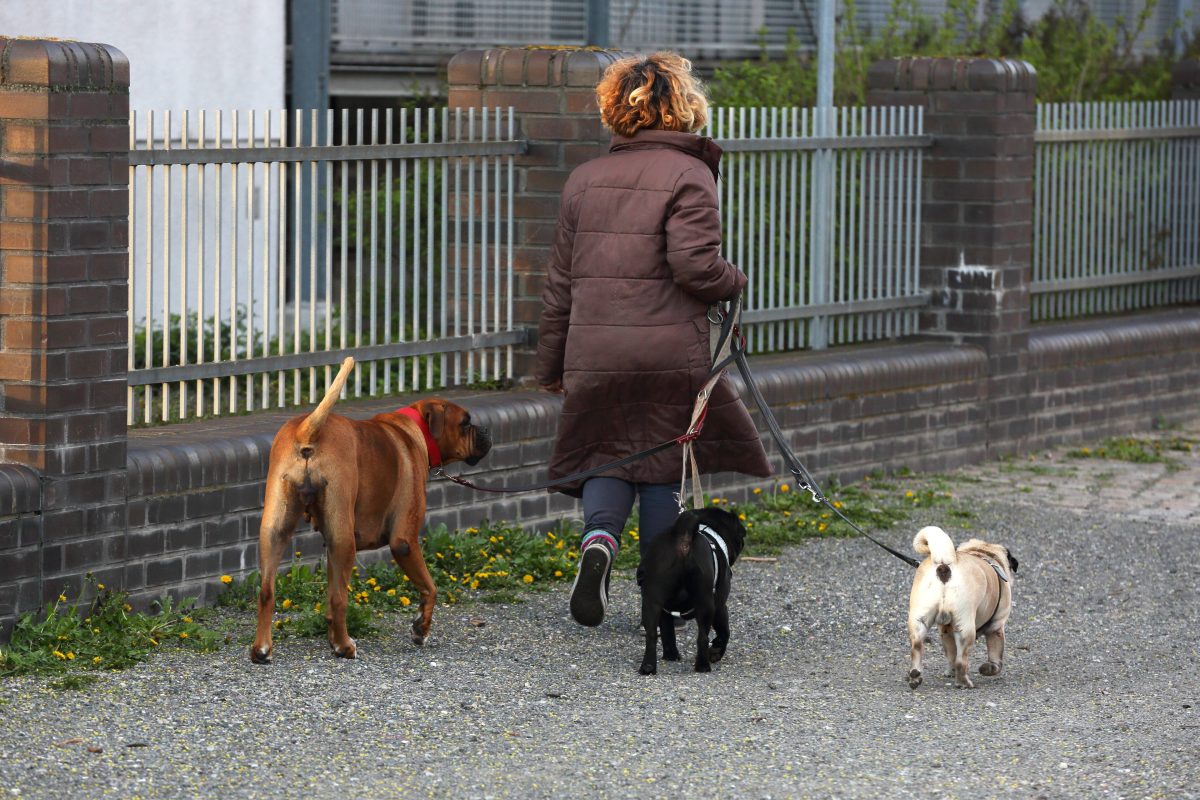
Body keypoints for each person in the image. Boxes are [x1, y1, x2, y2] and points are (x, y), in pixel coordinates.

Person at [534, 52, 772, 628]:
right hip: (670, 353)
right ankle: (659, 586)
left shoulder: (583, 180)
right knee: (665, 462)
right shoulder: (689, 174)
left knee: (607, 456)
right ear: (683, 104)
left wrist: (553, 362)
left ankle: (598, 547)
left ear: (617, 108)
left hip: (596, 351)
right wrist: (736, 279)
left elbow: (559, 285)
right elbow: (695, 267)